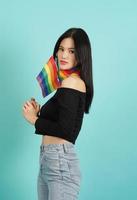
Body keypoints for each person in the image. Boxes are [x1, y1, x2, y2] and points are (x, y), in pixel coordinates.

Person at [22, 27, 94, 200]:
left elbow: (66, 131)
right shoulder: (67, 83)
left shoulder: (72, 82)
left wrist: (34, 120)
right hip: (50, 160)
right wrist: (40, 114)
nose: (64, 55)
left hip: (59, 162)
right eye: (61, 49)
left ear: (81, 55)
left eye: (71, 51)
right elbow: (62, 123)